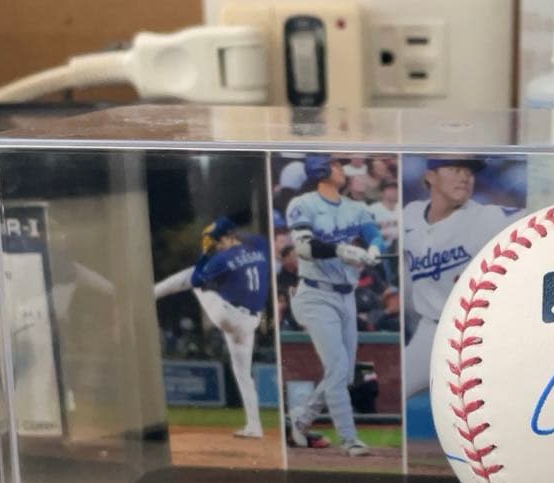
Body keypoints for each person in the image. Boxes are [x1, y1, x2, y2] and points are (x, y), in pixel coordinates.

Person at [285, 154, 386, 457]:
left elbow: (375, 236)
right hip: (315, 294)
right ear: (321, 170)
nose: (342, 169)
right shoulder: (302, 204)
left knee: (342, 372)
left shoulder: (356, 207)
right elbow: (304, 247)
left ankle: (300, 419)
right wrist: (342, 250)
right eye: (336, 164)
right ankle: (349, 439)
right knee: (338, 367)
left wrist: (374, 250)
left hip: (346, 295)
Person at [402, 157, 523, 398]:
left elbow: (538, 218)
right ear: (430, 177)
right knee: (395, 389)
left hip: (478, 330)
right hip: (431, 329)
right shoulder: (410, 214)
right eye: (455, 169)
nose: (465, 177)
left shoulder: (488, 217)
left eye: (469, 172)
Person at [154, 217, 270, 439]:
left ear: (227, 237)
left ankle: (149, 294)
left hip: (228, 317)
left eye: (217, 241)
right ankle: (254, 427)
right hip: (251, 322)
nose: (215, 245)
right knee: (243, 375)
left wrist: (205, 256)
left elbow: (197, 280)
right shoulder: (257, 248)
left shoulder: (222, 259)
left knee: (193, 278)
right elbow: (254, 243)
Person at [368, 178, 399, 284]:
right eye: (390, 189)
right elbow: (369, 235)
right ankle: (390, 283)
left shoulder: (401, 208)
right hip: (382, 249)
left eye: (395, 189)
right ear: (382, 192)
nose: (394, 191)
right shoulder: (373, 210)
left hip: (398, 249)